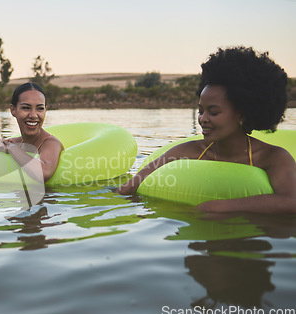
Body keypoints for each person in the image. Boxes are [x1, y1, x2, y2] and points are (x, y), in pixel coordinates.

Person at [116, 46, 296, 214]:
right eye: (201, 111)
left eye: (214, 112)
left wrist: (222, 206)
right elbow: (132, 185)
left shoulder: (273, 157)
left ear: (242, 114)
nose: (202, 119)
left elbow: (291, 201)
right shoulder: (189, 151)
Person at [0, 82, 64, 183]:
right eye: (26, 108)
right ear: (13, 110)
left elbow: (43, 173)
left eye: (40, 109)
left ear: (45, 110)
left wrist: (13, 149)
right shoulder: (15, 142)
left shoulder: (51, 143)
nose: (33, 115)